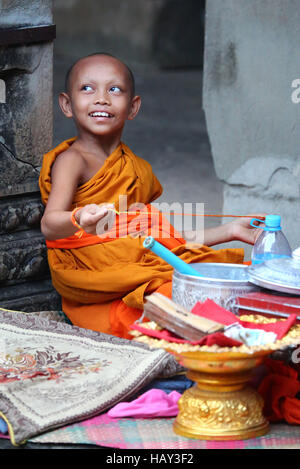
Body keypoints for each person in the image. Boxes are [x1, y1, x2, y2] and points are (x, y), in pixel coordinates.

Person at [39, 53, 263, 339]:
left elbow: (160, 244)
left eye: (115, 89)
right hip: (103, 285)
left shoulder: (133, 168)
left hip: (140, 270)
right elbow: (49, 224)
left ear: (133, 107)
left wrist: (229, 230)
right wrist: (79, 217)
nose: (101, 99)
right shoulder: (72, 161)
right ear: (66, 105)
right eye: (87, 88)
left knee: (237, 281)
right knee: (191, 297)